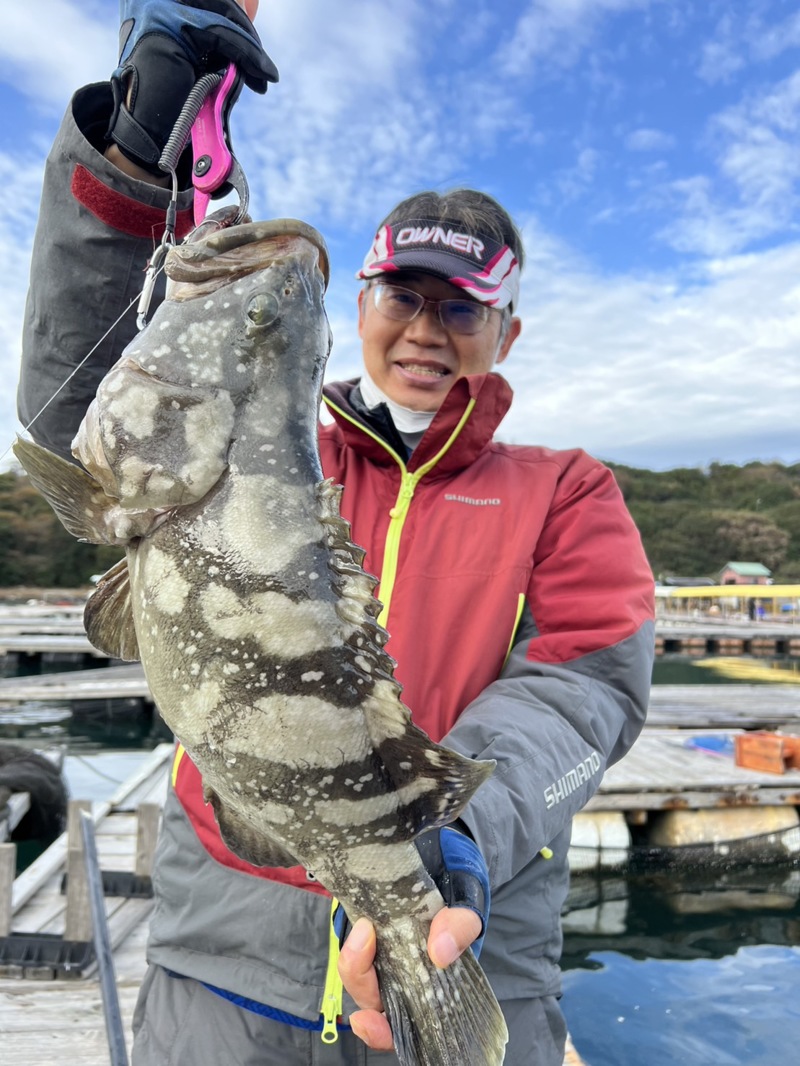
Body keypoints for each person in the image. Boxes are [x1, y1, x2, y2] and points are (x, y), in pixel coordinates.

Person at [16, 3, 655, 1063]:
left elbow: (587, 693)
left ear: (506, 329)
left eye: (460, 308)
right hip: (224, 968)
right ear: (359, 303)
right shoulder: (269, 448)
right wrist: (136, 147)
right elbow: (71, 420)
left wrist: (454, 842)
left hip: (464, 937)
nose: (423, 331)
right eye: (402, 295)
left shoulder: (568, 492)